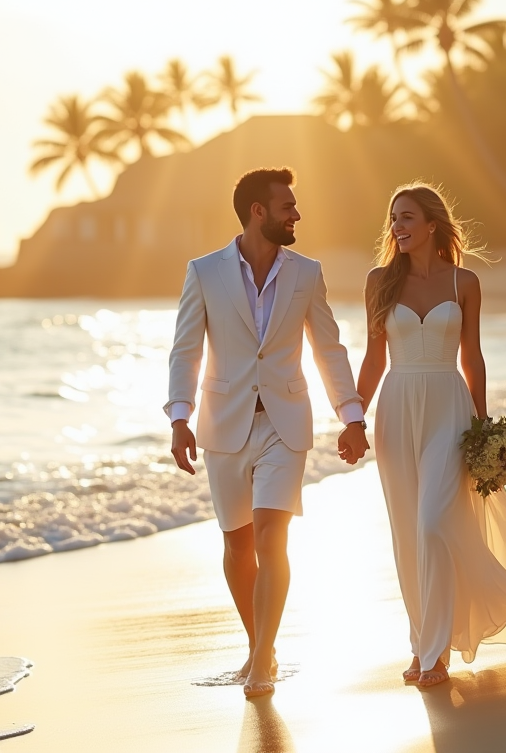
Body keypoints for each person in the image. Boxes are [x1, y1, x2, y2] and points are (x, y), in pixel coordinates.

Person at [166, 167, 370, 699]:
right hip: (223, 424)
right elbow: (186, 348)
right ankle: (262, 645)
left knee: (271, 535)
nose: (296, 213)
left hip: (285, 422)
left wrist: (351, 414)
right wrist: (179, 417)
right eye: (287, 206)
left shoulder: (307, 273)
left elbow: (329, 348)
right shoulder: (205, 272)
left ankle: (260, 661)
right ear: (258, 211)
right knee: (237, 543)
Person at [352, 182, 506, 689]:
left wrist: (485, 427)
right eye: (392, 218)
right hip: (396, 410)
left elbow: (473, 357)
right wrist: (353, 419)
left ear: (431, 225)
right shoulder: (379, 281)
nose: (397, 227)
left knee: (431, 524)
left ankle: (437, 653)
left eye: (406, 218)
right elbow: (374, 359)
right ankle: (425, 644)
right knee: (407, 533)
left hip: (449, 407)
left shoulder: (464, 282)